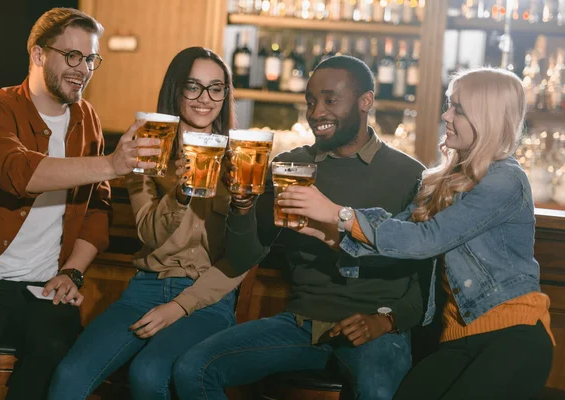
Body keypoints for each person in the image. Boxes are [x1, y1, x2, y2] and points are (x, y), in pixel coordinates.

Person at [277, 67, 555, 400]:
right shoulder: (445, 179)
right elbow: (401, 235)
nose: (445, 115)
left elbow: (427, 240)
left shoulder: (505, 180)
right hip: (457, 338)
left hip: (514, 336)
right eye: (449, 105)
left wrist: (339, 213)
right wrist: (326, 233)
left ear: (487, 118)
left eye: (458, 109)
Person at [172, 55, 433, 400]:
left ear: (365, 101)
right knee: (193, 369)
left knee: (379, 393)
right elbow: (244, 255)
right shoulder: (289, 165)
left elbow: (425, 280)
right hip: (299, 324)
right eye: (310, 101)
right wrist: (243, 205)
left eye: (330, 100)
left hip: (376, 328)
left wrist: (386, 321)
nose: (316, 112)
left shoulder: (409, 175)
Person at [0, 8, 159, 400]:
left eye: (91, 58)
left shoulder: (86, 118)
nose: (83, 68)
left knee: (58, 354)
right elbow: (17, 173)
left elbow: (97, 207)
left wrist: (72, 273)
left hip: (46, 284)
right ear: (39, 55)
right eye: (72, 56)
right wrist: (111, 163)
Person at [49, 47, 245, 400]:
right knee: (70, 375)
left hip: (207, 297)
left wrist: (180, 306)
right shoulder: (146, 150)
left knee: (150, 372)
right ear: (175, 90)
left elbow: (245, 254)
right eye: (193, 87)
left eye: (216, 88)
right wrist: (181, 194)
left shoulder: (243, 160)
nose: (205, 99)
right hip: (145, 288)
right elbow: (149, 233)